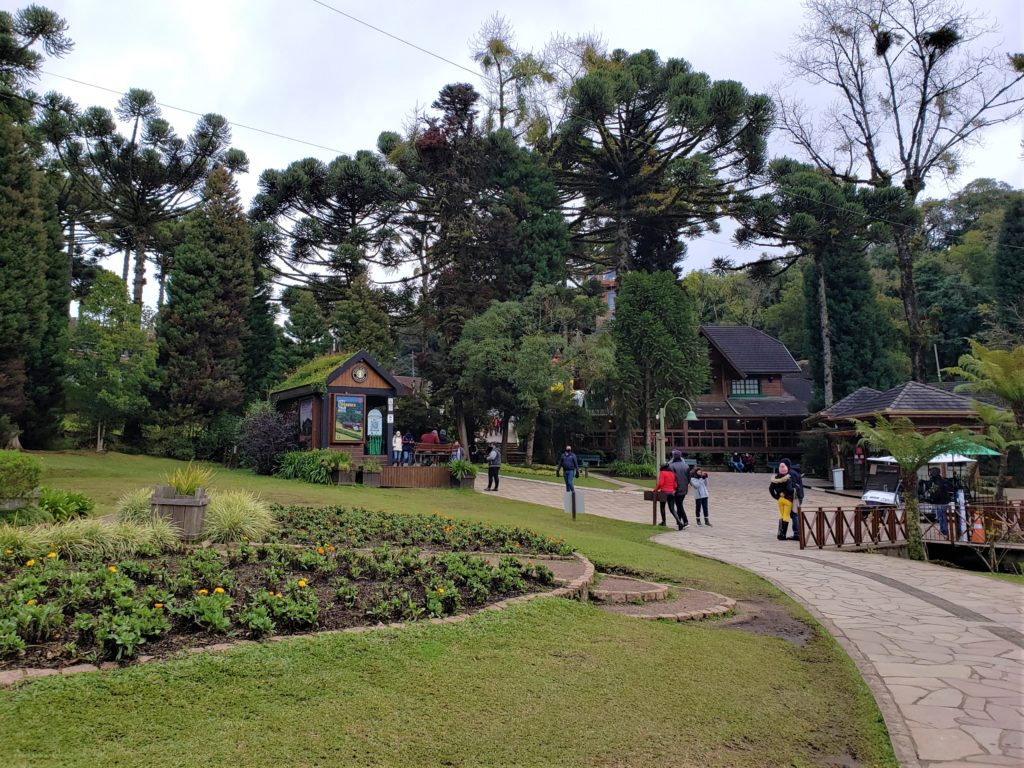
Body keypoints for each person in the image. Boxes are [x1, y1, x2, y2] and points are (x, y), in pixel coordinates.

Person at [769, 461, 799, 540]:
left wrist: (776, 496)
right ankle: (783, 535)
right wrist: (795, 488)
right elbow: (789, 490)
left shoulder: (775, 479)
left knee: (782, 515)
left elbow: (770, 489)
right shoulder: (788, 479)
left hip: (780, 500)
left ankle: (779, 534)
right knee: (786, 516)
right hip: (787, 500)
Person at [779, 456, 803, 540]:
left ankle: (797, 534)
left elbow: (791, 487)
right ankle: (798, 533)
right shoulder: (794, 471)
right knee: (795, 514)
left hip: (795, 497)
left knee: (794, 514)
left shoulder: (790, 473)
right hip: (799, 496)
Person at [654, 463, 684, 529]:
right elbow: (675, 485)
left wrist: (655, 490)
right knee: (672, 509)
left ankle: (663, 522)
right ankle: (679, 522)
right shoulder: (672, 473)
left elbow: (661, 483)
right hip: (671, 493)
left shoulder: (663, 473)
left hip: (664, 492)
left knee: (662, 507)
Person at [668, 450, 691, 529]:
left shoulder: (671, 466)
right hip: (684, 488)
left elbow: (672, 478)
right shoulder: (686, 466)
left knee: (679, 505)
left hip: (676, 489)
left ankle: (685, 521)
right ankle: (679, 522)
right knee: (679, 504)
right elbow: (689, 478)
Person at [927, 466, 951, 535]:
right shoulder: (937, 479)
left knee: (942, 517)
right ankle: (943, 530)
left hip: (941, 501)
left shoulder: (937, 480)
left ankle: (944, 530)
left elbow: (937, 491)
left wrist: (932, 498)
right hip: (941, 501)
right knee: (941, 516)